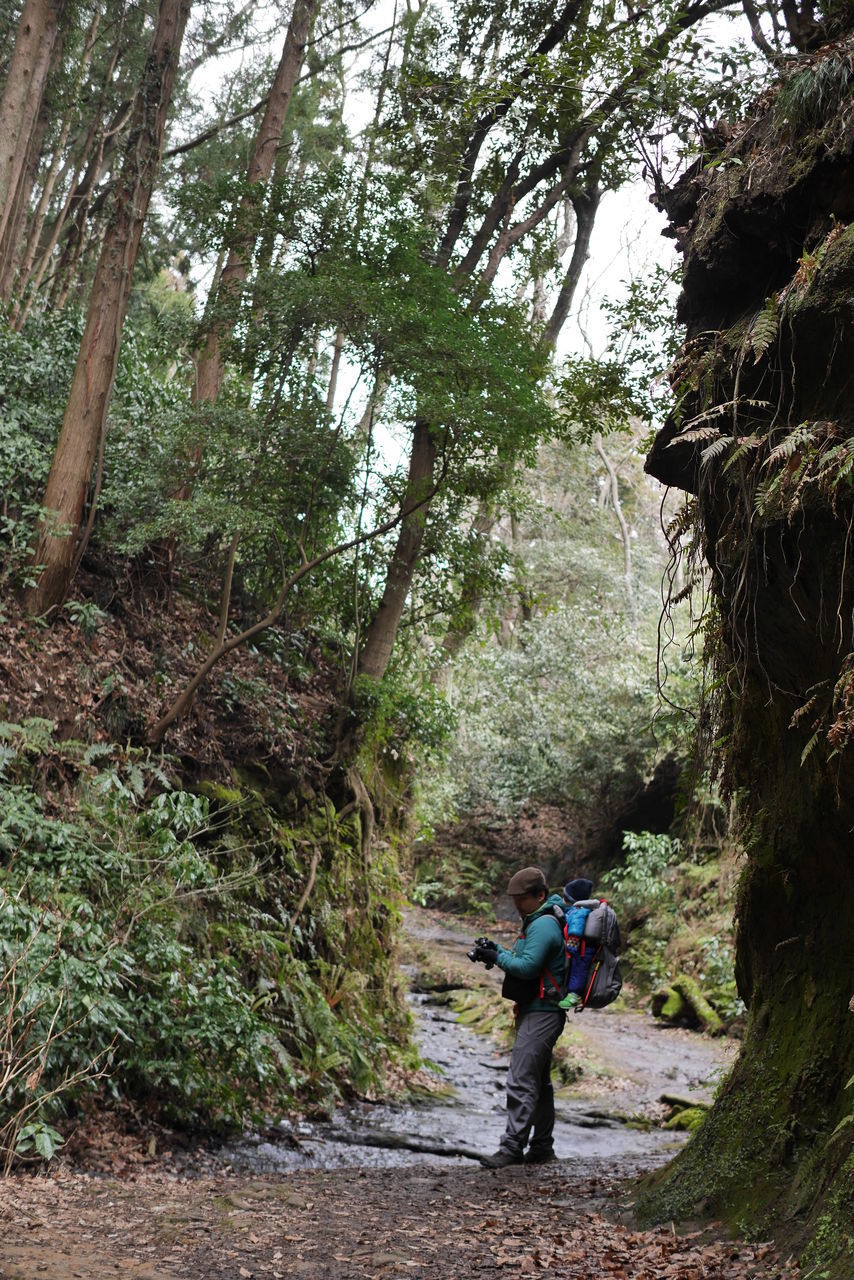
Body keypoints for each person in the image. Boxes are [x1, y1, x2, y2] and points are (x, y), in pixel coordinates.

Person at [469, 866, 568, 1168]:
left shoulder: (544, 926)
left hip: (542, 1012)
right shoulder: (536, 921)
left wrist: (497, 957)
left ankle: (512, 1148)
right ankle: (541, 1147)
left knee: (521, 1079)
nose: (516, 904)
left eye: (521, 899)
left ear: (539, 895)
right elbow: (522, 959)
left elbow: (525, 967)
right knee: (539, 1082)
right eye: (514, 899)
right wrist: (495, 949)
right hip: (538, 1010)